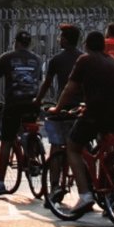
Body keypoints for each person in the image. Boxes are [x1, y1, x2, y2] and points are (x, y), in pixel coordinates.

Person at [52, 30, 114, 214]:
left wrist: (57, 108)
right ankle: (110, 185)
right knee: (105, 147)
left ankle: (85, 195)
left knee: (72, 146)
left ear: (86, 45)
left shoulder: (85, 60)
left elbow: (69, 88)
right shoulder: (113, 61)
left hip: (96, 113)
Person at [0, 29, 45, 198]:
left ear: (16, 43)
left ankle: (0, 183)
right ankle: (32, 156)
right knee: (29, 129)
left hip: (13, 104)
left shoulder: (7, 57)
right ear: (29, 44)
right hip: (33, 104)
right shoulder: (37, 59)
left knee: (6, 141)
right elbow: (38, 81)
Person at [39, 24, 82, 154]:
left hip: (64, 106)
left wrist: (38, 100)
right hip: (82, 107)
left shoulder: (56, 60)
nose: (59, 39)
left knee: (56, 144)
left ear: (65, 40)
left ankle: (54, 174)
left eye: (60, 36)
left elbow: (47, 83)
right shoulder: (84, 58)